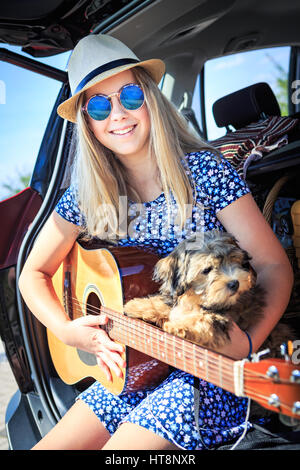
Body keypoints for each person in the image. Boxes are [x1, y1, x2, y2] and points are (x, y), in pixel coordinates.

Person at [18, 33, 293, 451]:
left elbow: (273, 265)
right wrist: (68, 331)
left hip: (204, 369)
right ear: (88, 124)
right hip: (134, 368)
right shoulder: (87, 195)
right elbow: (32, 274)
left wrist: (250, 341)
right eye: (97, 105)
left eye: (128, 95)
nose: (117, 114)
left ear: (148, 97)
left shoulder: (203, 171)